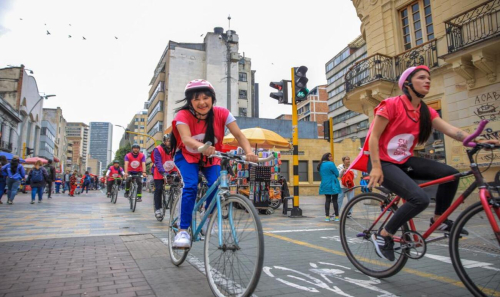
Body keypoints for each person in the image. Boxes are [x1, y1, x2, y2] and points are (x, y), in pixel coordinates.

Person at [348, 65, 499, 261]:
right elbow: (373, 138)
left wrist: (479, 141)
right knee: (420, 199)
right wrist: (376, 167)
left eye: (428, 78)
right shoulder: (391, 104)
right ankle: (384, 235)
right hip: (382, 162)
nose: (427, 81)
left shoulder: (425, 111)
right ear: (408, 84)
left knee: (451, 175)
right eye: (421, 77)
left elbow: (452, 131)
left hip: (404, 160)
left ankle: (439, 220)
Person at [170, 79, 258, 248]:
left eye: (205, 98)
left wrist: (249, 152)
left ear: (212, 98)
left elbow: (239, 135)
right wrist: (202, 147)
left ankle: (207, 215)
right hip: (188, 156)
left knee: (217, 185)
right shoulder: (182, 115)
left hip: (212, 156)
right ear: (190, 101)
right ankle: (183, 230)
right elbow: (186, 139)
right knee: (191, 186)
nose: (202, 102)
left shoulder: (222, 113)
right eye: (196, 99)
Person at [152, 133, 178, 218]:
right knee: (159, 189)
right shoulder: (158, 149)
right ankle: (158, 208)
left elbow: (177, 161)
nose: (170, 143)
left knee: (177, 185)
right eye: (168, 141)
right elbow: (158, 162)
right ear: (164, 141)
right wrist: (163, 172)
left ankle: (174, 200)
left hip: (171, 170)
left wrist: (178, 173)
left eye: (171, 141)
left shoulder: (175, 149)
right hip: (160, 172)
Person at [318, 153, 342, 222]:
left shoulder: (320, 164)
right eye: (330, 156)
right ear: (327, 157)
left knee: (327, 200)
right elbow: (337, 174)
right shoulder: (331, 164)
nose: (331, 157)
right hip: (332, 183)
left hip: (325, 183)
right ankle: (337, 217)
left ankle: (327, 217)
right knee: (335, 200)